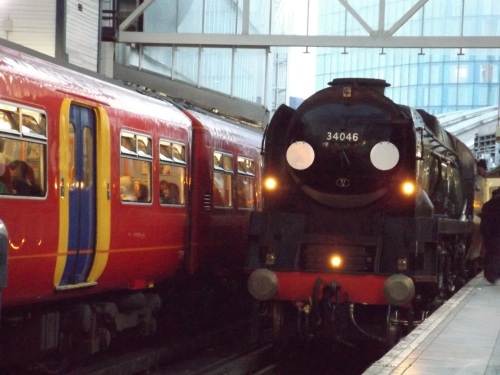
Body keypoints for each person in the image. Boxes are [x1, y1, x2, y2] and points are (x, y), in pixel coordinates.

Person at [480, 187, 500, 284]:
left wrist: (484, 234)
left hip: (490, 236)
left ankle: (491, 276)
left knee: (491, 255)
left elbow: (484, 222)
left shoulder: (487, 205)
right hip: (495, 235)